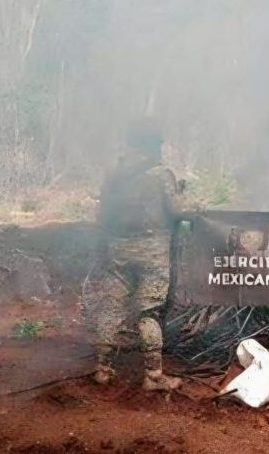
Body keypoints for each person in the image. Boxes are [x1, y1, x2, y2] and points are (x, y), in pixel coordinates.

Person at [84, 116, 189, 391]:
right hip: (152, 253)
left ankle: (103, 369)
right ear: (154, 145)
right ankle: (153, 376)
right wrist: (189, 200)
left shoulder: (114, 174)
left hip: (117, 250)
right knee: (149, 312)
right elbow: (178, 211)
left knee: (111, 307)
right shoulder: (160, 174)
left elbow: (101, 215)